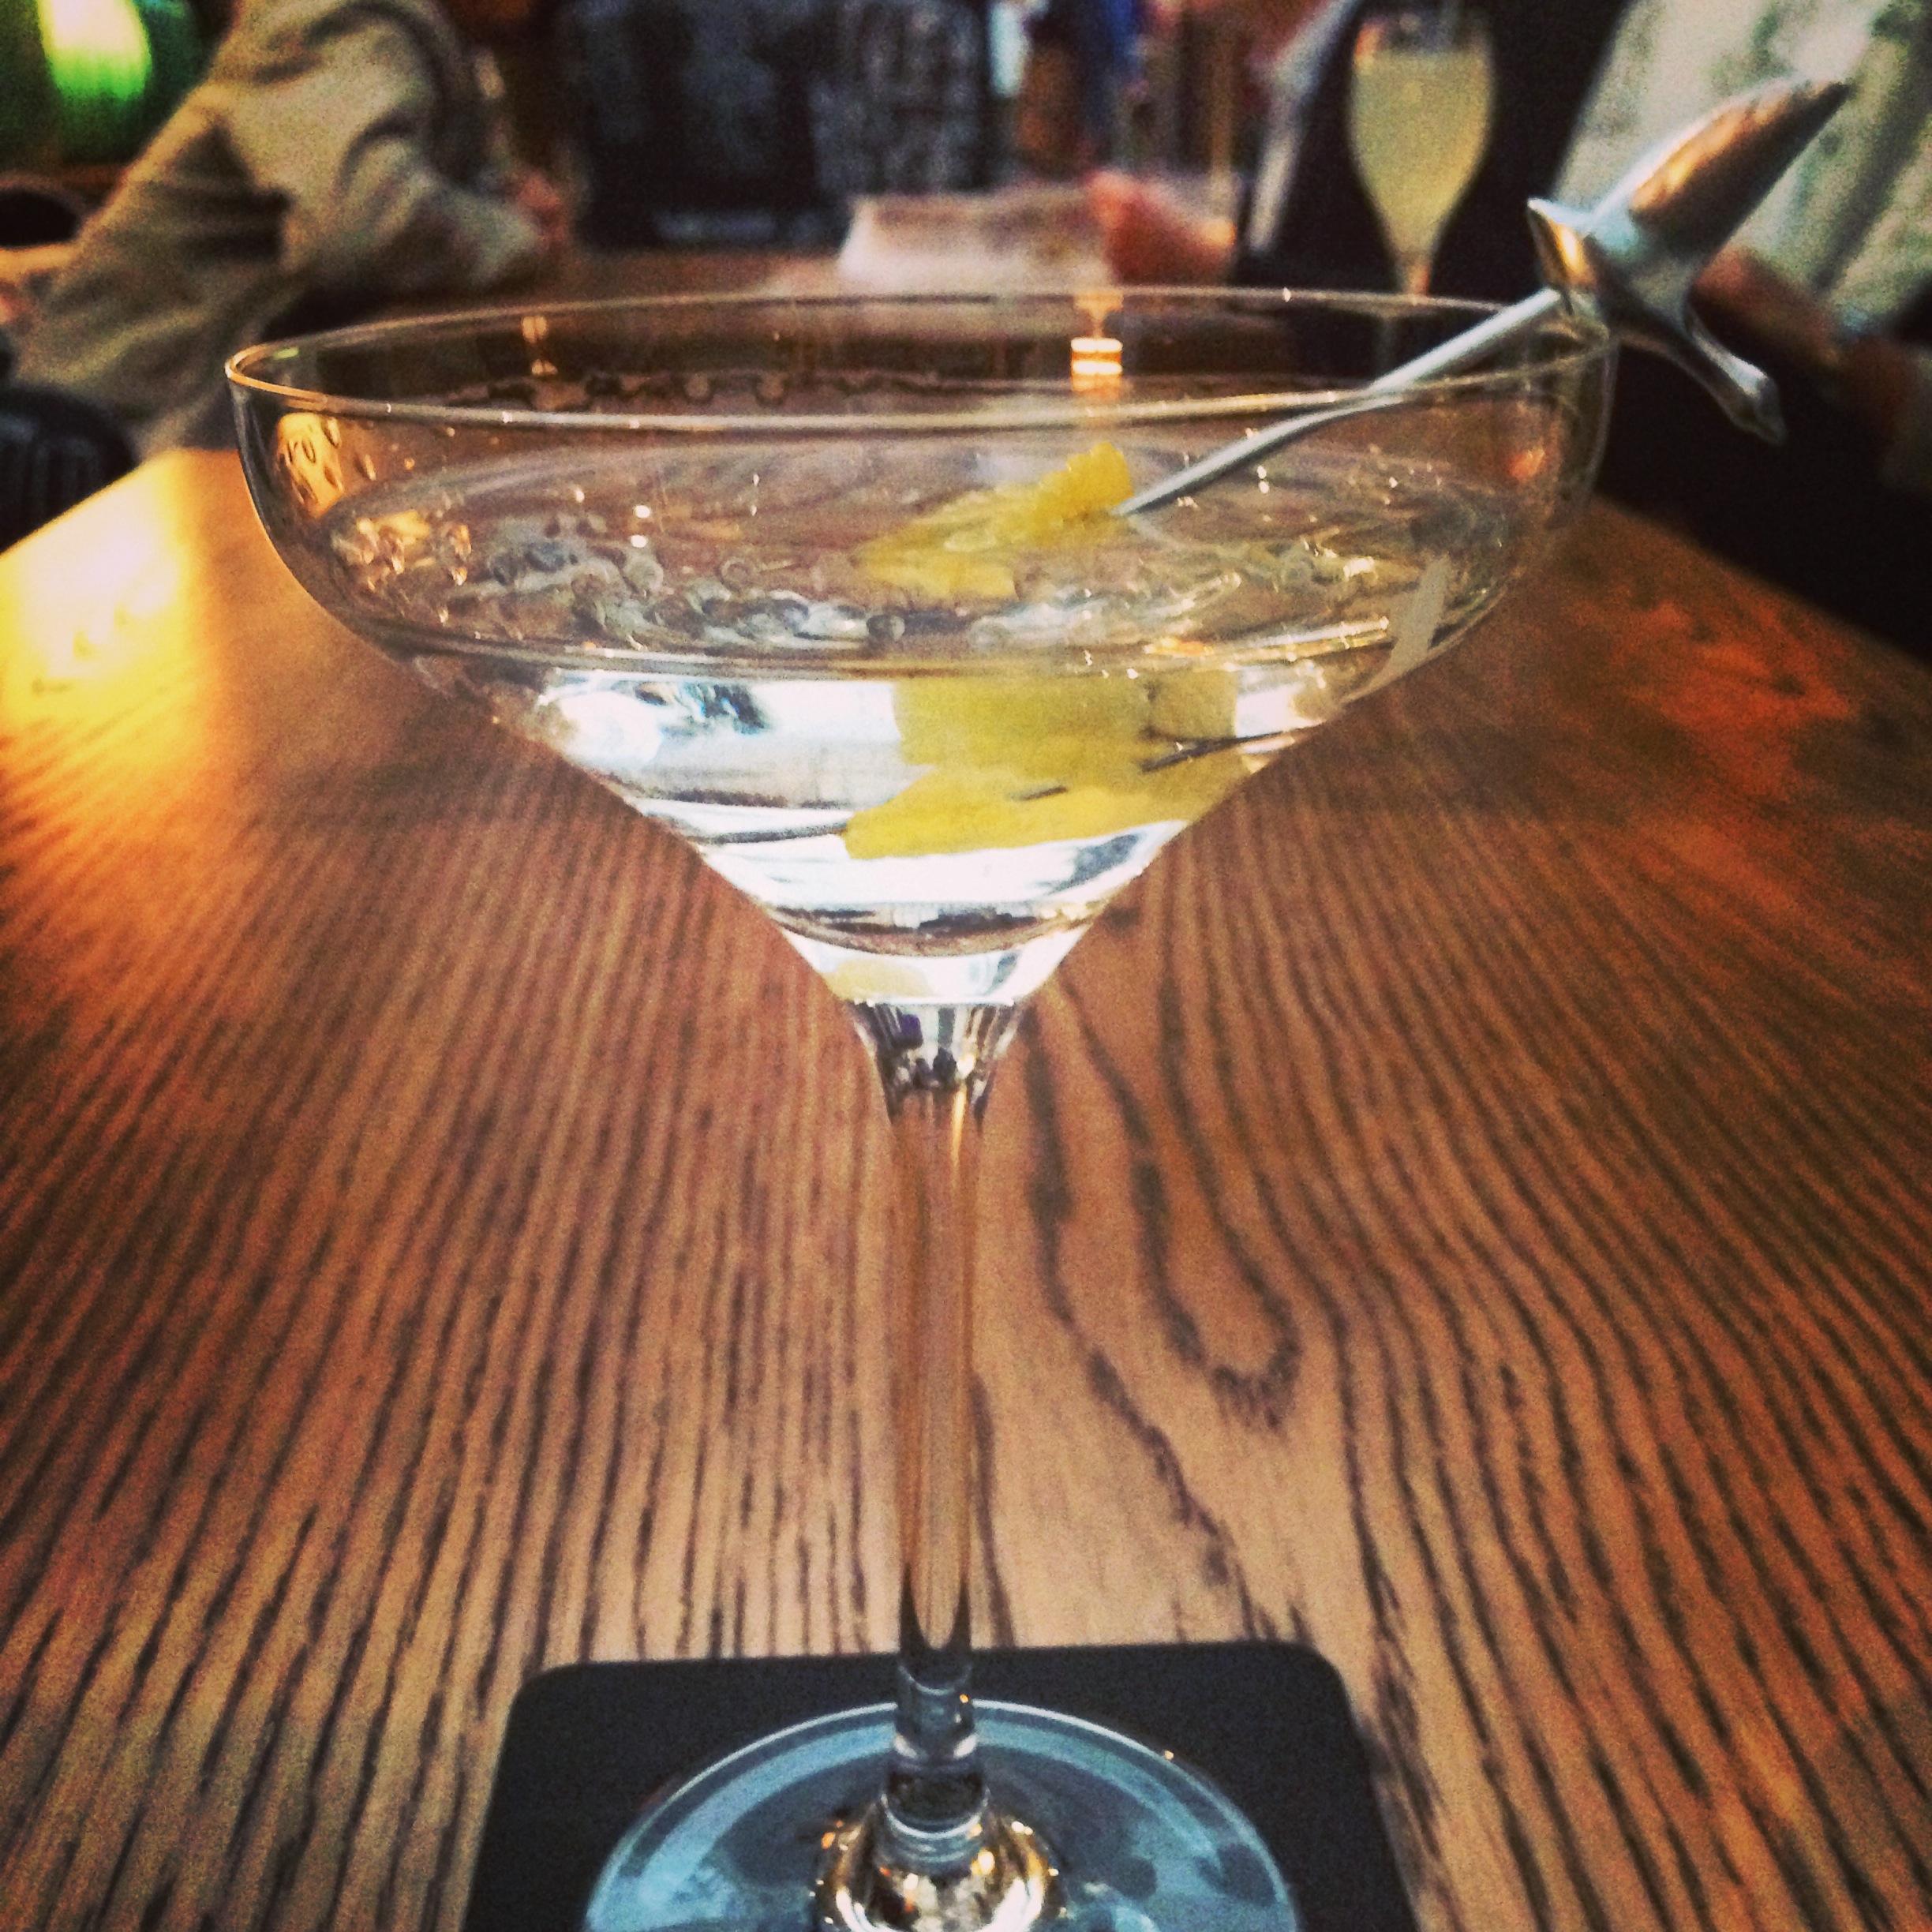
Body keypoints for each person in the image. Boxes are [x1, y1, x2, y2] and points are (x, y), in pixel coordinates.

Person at [9, 0, 568, 456]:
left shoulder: (423, 43)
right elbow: (366, 229)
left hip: (201, 413)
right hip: (102, 440)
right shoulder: (338, 22)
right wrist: (521, 234)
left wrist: (497, 197)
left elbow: (416, 191)